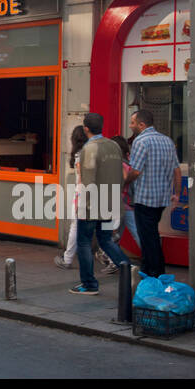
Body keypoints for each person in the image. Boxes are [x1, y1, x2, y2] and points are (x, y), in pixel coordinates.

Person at [69, 113, 130, 295]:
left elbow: (88, 181)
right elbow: (120, 177)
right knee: (106, 241)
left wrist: (85, 208)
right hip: (111, 202)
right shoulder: (114, 146)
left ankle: (89, 284)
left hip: (92, 205)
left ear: (86, 128)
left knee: (84, 243)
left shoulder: (90, 148)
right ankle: (131, 273)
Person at [126, 108, 178, 280]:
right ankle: (149, 269)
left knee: (148, 237)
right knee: (151, 234)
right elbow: (176, 170)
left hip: (144, 197)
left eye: (133, 122)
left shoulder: (141, 141)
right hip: (161, 198)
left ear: (141, 124)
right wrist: (175, 193)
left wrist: (124, 183)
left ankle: (154, 272)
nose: (130, 125)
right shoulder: (167, 141)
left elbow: (136, 171)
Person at [56, 125, 115, 273]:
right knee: (103, 230)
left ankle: (68, 259)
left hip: (84, 195)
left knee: (77, 229)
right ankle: (115, 260)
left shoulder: (80, 155)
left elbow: (82, 179)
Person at [112, 134, 141, 251]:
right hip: (129, 203)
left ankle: (113, 260)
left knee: (113, 235)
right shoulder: (129, 163)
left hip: (120, 203)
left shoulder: (119, 163)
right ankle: (151, 256)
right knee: (136, 232)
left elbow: (121, 181)